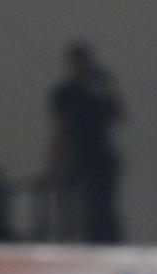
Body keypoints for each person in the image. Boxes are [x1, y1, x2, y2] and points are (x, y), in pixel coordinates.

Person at [48, 42, 124, 243]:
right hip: (75, 157)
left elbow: (117, 114)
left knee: (101, 208)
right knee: (72, 209)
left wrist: (105, 87)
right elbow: (61, 125)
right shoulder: (66, 93)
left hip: (98, 157)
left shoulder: (96, 92)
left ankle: (102, 241)